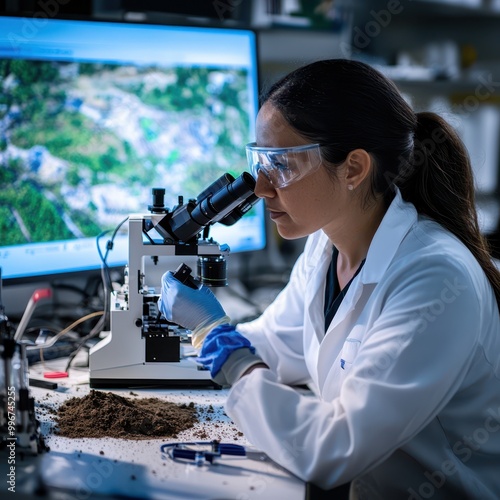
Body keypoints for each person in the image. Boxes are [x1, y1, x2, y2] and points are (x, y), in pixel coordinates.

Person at [158, 59, 500, 498]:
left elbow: (334, 449)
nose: (261, 188)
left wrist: (221, 342)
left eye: (281, 164)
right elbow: (273, 346)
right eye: (260, 160)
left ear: (354, 169)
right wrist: (179, 344)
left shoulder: (435, 277)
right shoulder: (326, 246)